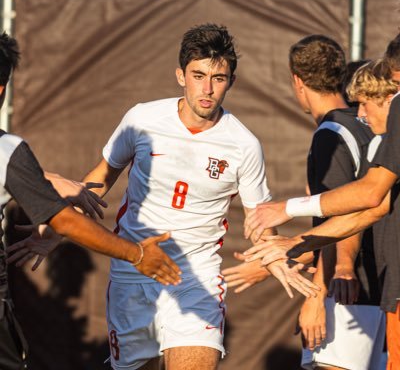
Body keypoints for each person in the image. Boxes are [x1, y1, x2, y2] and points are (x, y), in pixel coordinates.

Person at [33, 23, 315, 370]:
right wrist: (60, 225)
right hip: (134, 270)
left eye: (219, 78)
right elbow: (100, 179)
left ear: (232, 82)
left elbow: (260, 220)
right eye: (199, 75)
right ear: (181, 75)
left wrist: (274, 258)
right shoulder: (142, 119)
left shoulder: (244, 145)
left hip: (196, 279)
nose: (208, 89)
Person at [0, 31, 181, 370]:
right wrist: (137, 253)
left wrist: (47, 179)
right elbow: (64, 220)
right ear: (1, 90)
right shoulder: (8, 152)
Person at [244, 58, 399, 369]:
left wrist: (321, 288)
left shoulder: (333, 132)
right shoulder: (375, 139)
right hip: (381, 292)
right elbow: (370, 211)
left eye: (366, 103)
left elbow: (365, 199)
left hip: (355, 293)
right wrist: (300, 244)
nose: (362, 114)